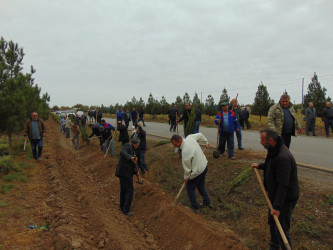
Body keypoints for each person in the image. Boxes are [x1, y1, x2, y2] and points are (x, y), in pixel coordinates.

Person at [252, 128, 299, 250]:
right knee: (273, 224)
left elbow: (283, 185)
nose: (261, 142)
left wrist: (277, 207)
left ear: (270, 140)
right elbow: (270, 165)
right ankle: (274, 247)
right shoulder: (273, 149)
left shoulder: (283, 157)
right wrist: (260, 166)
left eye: (262, 140)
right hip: (276, 196)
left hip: (285, 199)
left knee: (281, 229)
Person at [171, 133, 211, 214]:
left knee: (190, 188)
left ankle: (195, 207)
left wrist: (186, 179)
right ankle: (207, 202)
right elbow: (200, 135)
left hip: (198, 171)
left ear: (179, 141)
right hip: (204, 166)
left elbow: (187, 170)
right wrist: (205, 142)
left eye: (175, 144)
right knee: (200, 185)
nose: (175, 146)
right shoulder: (190, 137)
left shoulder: (185, 152)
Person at [115, 138, 140, 216]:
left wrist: (136, 172)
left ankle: (122, 207)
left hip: (124, 173)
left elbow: (132, 163)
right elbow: (122, 152)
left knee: (124, 190)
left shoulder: (133, 150)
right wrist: (130, 157)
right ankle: (125, 210)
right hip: (124, 173)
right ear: (135, 144)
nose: (138, 146)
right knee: (130, 190)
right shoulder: (128, 145)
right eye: (137, 144)